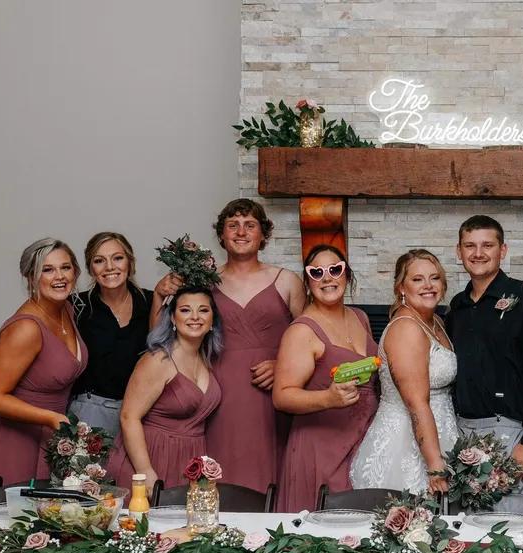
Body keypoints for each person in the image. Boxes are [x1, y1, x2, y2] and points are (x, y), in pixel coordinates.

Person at [153, 199, 305, 493]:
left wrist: (283, 367)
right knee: (221, 474)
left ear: (263, 234)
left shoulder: (287, 281)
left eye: (250, 225)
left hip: (272, 393)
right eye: (233, 225)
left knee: (271, 473)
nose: (241, 232)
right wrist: (159, 295)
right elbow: (165, 336)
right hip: (220, 393)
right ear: (221, 235)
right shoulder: (203, 283)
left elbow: (311, 338)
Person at [0, 239, 88, 484]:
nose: (59, 276)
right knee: (8, 508)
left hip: (43, 435)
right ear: (30, 277)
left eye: (66, 267)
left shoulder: (66, 310)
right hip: (8, 438)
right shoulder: (26, 328)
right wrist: (50, 418)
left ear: (76, 271)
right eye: (47, 270)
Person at [445, 215, 523, 494]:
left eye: (487, 245)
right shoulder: (457, 307)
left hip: (509, 432)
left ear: (503, 250)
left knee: (508, 517)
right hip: (461, 432)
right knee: (466, 517)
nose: (478, 253)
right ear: (459, 252)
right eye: (470, 246)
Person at [273, 245, 379, 511]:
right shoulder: (301, 331)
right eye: (317, 273)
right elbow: (282, 396)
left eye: (335, 269)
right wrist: (328, 398)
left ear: (347, 274)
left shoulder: (360, 317)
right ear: (308, 282)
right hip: (321, 448)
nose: (327, 278)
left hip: (362, 441)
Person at [350, 249, 458, 495]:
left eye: (434, 278)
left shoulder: (436, 322)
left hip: (441, 433)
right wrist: (434, 465)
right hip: (406, 445)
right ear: (401, 288)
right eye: (417, 279)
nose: (428, 285)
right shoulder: (406, 328)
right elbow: (417, 404)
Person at [105, 286, 223, 492]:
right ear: (173, 319)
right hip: (151, 456)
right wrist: (145, 471)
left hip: (189, 460)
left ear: (213, 320)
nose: (195, 317)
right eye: (185, 310)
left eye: (203, 310)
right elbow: (128, 417)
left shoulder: (206, 360)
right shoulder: (157, 360)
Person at [68, 232, 154, 436]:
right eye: (99, 261)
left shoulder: (151, 302)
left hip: (143, 413)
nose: (109, 267)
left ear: (130, 262)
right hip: (91, 413)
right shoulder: (76, 306)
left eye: (118, 258)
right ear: (90, 268)